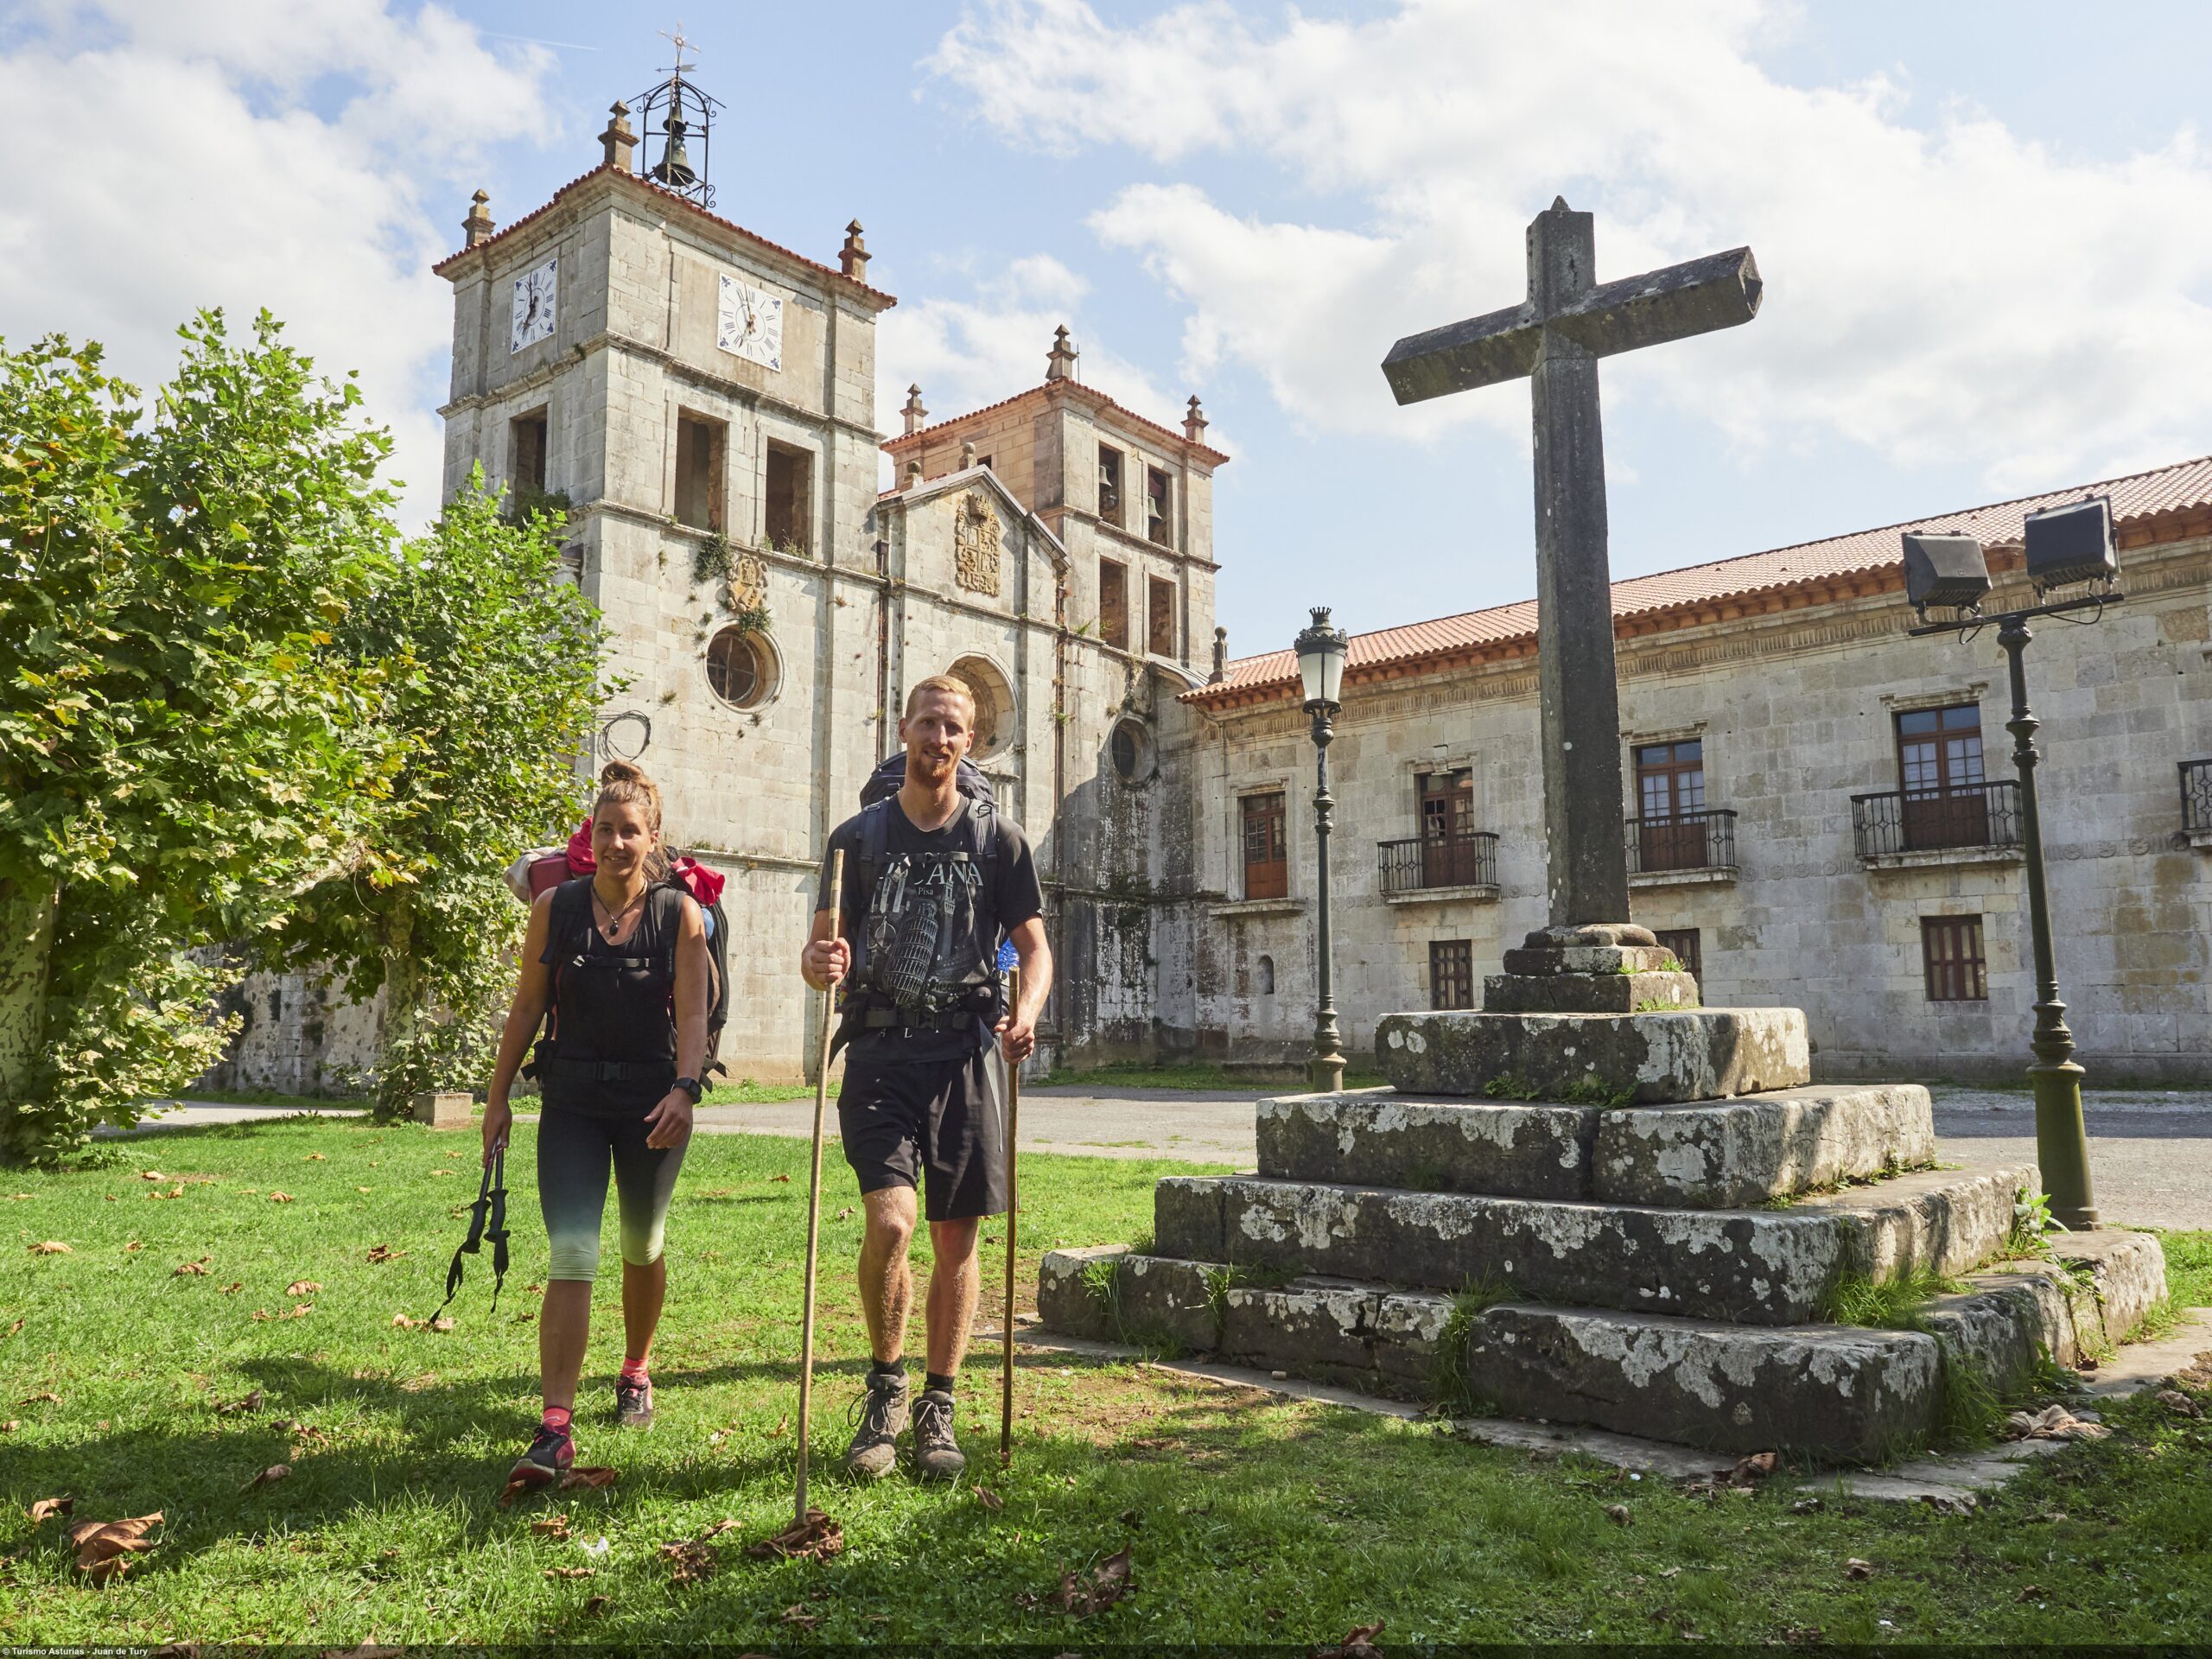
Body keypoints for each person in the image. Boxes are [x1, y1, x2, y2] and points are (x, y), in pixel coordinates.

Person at [798, 675, 1052, 1481]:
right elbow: (821, 952)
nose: (939, 739)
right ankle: (885, 1386)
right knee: (894, 1226)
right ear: (902, 727)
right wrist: (819, 962)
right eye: (928, 723)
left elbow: (1035, 948)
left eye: (955, 729)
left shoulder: (999, 841)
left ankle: (938, 1405)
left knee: (956, 1239)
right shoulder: (855, 841)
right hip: (879, 1051)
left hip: (966, 1054)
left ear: (968, 743)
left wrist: (1030, 1009)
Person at [483, 760, 713, 1487]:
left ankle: (636, 1369)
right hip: (573, 1104)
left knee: (643, 1243)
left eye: (631, 832)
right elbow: (526, 1006)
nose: (617, 842)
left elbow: (694, 1013)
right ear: (591, 837)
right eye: (605, 830)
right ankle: (555, 1427)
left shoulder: (681, 914)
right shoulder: (558, 908)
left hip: (652, 1107)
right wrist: (496, 1101)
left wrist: (685, 1090)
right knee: (574, 1250)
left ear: (652, 840)